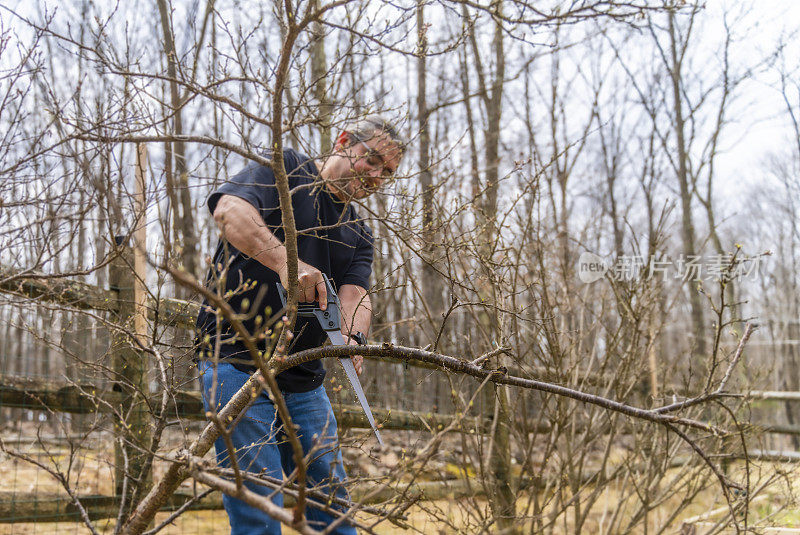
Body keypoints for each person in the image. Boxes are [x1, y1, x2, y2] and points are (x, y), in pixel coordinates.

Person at [195, 115, 405, 534]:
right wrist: (286, 265)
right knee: (260, 504)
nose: (377, 175)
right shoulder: (288, 172)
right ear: (344, 140)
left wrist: (353, 335)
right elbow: (228, 210)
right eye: (373, 159)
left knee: (332, 506)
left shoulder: (358, 233)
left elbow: (355, 293)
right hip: (236, 360)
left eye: (388, 172)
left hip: (305, 378)